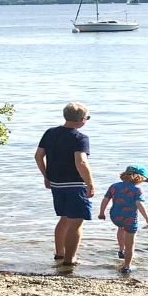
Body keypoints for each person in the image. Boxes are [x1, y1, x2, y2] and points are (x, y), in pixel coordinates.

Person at [35, 102, 94, 266]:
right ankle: (70, 259)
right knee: (76, 222)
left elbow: (38, 156)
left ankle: (59, 253)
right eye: (87, 118)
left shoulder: (50, 133)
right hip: (75, 184)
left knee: (65, 219)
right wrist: (90, 184)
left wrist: (46, 176)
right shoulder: (80, 138)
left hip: (56, 183)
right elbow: (81, 162)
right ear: (82, 119)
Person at [97, 165, 148, 274]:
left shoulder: (114, 186)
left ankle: (121, 250)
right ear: (139, 178)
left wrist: (101, 213)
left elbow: (105, 199)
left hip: (115, 216)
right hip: (130, 219)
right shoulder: (137, 190)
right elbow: (139, 204)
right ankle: (127, 267)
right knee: (130, 244)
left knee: (121, 227)